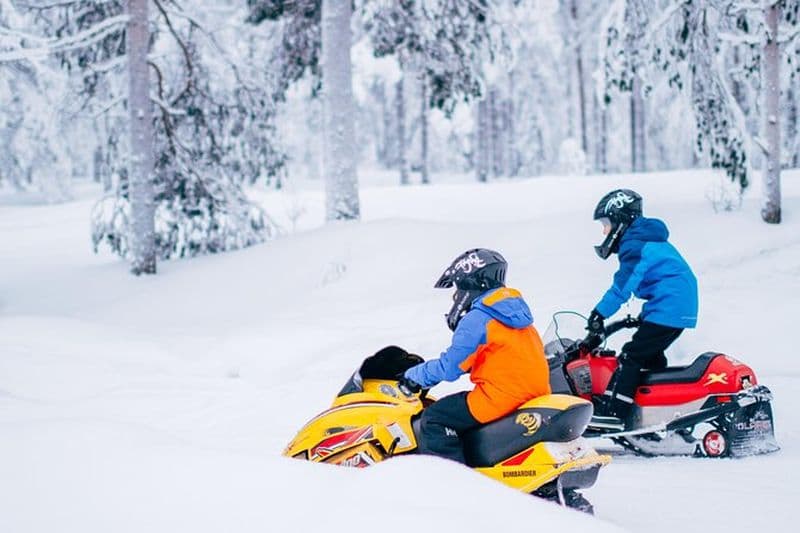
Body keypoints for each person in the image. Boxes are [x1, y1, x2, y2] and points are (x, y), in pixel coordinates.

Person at [398, 248, 551, 464]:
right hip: (535, 394)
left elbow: (450, 368)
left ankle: (454, 480)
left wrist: (414, 376)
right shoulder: (516, 314)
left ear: (470, 283)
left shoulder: (477, 318)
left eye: (457, 289)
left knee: (435, 417)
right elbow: (501, 357)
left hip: (502, 398)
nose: (456, 297)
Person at [586, 189, 698, 429]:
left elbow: (623, 286)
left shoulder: (635, 245)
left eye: (606, 224)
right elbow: (663, 278)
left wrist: (599, 313)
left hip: (670, 306)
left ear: (620, 220)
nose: (604, 231)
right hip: (675, 304)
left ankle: (615, 412)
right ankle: (658, 408)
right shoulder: (645, 239)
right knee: (651, 358)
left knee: (631, 356)